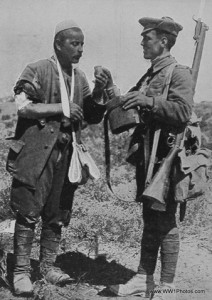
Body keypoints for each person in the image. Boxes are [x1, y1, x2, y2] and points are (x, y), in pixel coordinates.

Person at [7, 20, 110, 295]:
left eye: (82, 44)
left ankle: (49, 267)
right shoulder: (38, 69)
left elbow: (89, 115)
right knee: (28, 212)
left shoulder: (79, 78)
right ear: (58, 44)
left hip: (66, 156)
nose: (80, 50)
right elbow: (23, 106)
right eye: (74, 44)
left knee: (57, 212)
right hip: (36, 155)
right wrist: (61, 109)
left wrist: (99, 92)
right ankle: (20, 271)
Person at [108, 17, 193, 299]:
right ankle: (143, 278)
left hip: (167, 157)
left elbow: (182, 112)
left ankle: (168, 286)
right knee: (149, 217)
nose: (142, 42)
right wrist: (111, 90)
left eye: (148, 38)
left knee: (165, 219)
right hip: (148, 154)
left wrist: (148, 102)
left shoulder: (178, 73)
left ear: (164, 41)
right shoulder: (150, 75)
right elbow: (129, 104)